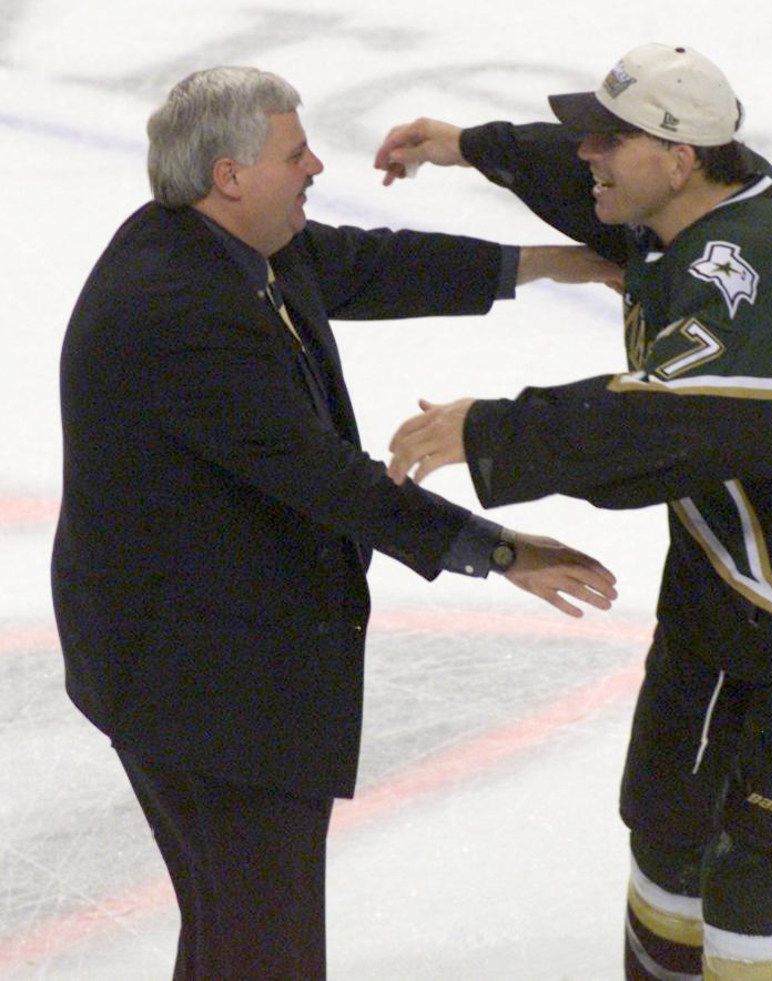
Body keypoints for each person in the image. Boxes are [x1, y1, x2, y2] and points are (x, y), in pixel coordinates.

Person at [378, 43, 772, 980]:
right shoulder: (706, 198)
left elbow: (650, 427)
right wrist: (473, 146)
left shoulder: (754, 294)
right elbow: (604, 202)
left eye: (609, 140)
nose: (588, 155)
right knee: (666, 842)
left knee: (756, 897)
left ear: (680, 155)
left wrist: (488, 431)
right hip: (728, 598)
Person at [51, 65, 621, 980]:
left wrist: (563, 265)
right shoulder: (180, 312)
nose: (317, 164)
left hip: (201, 658)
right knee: (265, 950)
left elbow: (368, 263)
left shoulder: (220, 244)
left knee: (239, 933)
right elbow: (327, 479)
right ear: (230, 174)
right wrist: (502, 549)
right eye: (294, 151)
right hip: (202, 687)